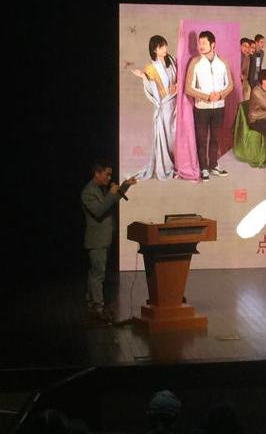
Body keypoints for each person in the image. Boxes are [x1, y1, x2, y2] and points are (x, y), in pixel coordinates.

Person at [81, 161, 136, 322]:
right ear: (97, 174)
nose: (109, 178)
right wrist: (111, 194)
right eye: (107, 174)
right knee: (97, 275)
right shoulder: (88, 192)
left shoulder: (102, 189)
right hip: (96, 240)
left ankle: (92, 303)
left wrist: (125, 186)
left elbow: (111, 201)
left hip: (104, 239)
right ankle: (98, 307)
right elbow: (99, 211)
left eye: (110, 175)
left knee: (97, 273)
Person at [184, 30, 234, 182]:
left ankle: (213, 165)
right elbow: (188, 88)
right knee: (202, 140)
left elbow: (230, 85)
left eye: (204, 43)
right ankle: (204, 168)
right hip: (201, 109)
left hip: (219, 107)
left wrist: (220, 95)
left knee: (215, 138)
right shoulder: (195, 62)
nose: (201, 46)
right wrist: (206, 97)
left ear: (213, 44)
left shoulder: (223, 62)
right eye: (199, 43)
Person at [131, 35, 178, 180]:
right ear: (154, 50)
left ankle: (179, 163)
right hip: (163, 105)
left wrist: (176, 85)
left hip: (176, 102)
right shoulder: (150, 67)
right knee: (165, 136)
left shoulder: (171, 60)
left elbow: (179, 77)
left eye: (164, 45)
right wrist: (143, 77)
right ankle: (166, 166)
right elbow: (152, 89)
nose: (164, 49)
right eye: (160, 47)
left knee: (176, 134)